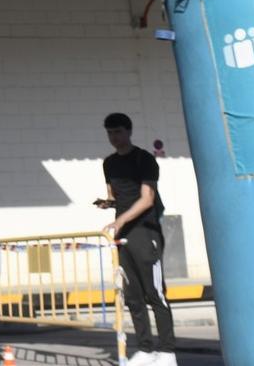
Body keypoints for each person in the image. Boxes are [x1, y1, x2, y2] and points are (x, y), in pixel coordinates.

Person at [96, 113, 176, 366]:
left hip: (145, 231)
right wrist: (107, 204)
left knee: (155, 293)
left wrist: (120, 220)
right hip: (123, 236)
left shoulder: (144, 159)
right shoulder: (109, 163)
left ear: (129, 131)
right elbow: (115, 197)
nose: (114, 137)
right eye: (110, 132)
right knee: (133, 295)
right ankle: (145, 349)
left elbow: (147, 198)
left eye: (118, 131)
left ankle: (167, 352)